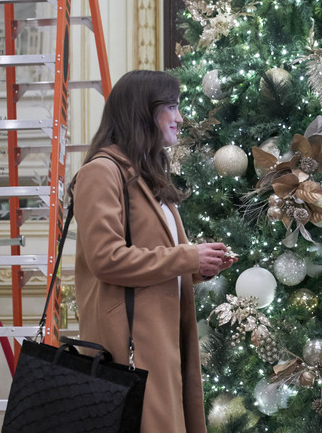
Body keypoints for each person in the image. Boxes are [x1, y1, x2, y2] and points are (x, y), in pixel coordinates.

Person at [72, 70, 236, 433]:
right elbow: (106, 258)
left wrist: (200, 266)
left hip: (161, 340)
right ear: (142, 111)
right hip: (129, 347)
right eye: (172, 107)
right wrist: (188, 257)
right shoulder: (102, 172)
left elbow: (160, 254)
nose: (180, 118)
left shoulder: (146, 174)